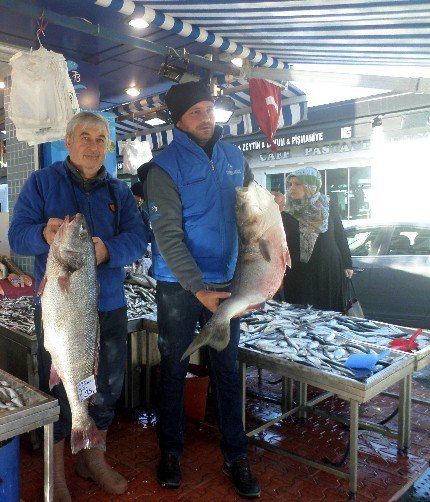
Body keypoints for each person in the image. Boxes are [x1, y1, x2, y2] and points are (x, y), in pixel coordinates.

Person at [8, 111, 147, 501]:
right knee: (58, 385)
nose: (93, 145)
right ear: (67, 142)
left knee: (106, 385)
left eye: (101, 139)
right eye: (84, 136)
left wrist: (108, 251)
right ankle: (56, 472)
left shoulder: (119, 192)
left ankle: (92, 457)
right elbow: (17, 236)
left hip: (110, 307)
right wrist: (42, 233)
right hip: (61, 314)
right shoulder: (42, 182)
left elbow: (138, 238)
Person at [140, 80, 260, 498]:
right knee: (174, 366)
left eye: (209, 109)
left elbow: (251, 214)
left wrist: (268, 206)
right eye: (196, 112)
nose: (206, 118)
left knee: (227, 369)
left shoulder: (234, 157)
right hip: (179, 287)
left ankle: (236, 454)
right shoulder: (163, 167)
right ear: (179, 120)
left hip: (227, 281)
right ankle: (171, 450)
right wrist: (197, 288)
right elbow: (168, 236)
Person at [273, 168, 353, 312]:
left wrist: (347, 264)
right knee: (301, 315)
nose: (292, 188)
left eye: (297, 184)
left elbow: (339, 235)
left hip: (327, 269)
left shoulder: (327, 205)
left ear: (311, 185)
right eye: (290, 184)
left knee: (330, 313)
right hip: (299, 272)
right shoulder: (284, 210)